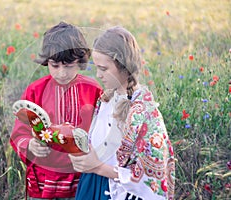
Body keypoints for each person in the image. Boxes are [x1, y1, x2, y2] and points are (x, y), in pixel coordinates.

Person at [69, 26, 175, 200]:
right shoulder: (106, 99)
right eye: (96, 67)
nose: (98, 75)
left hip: (122, 192)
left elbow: (153, 177)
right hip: (94, 184)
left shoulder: (144, 112)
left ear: (124, 66)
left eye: (103, 69)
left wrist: (97, 167)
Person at [10, 21, 103, 200]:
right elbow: (19, 131)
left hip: (80, 176)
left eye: (68, 66)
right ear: (46, 62)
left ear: (81, 60)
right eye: (55, 65)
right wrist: (30, 145)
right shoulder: (35, 91)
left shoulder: (93, 90)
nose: (61, 73)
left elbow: (103, 128)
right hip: (44, 177)